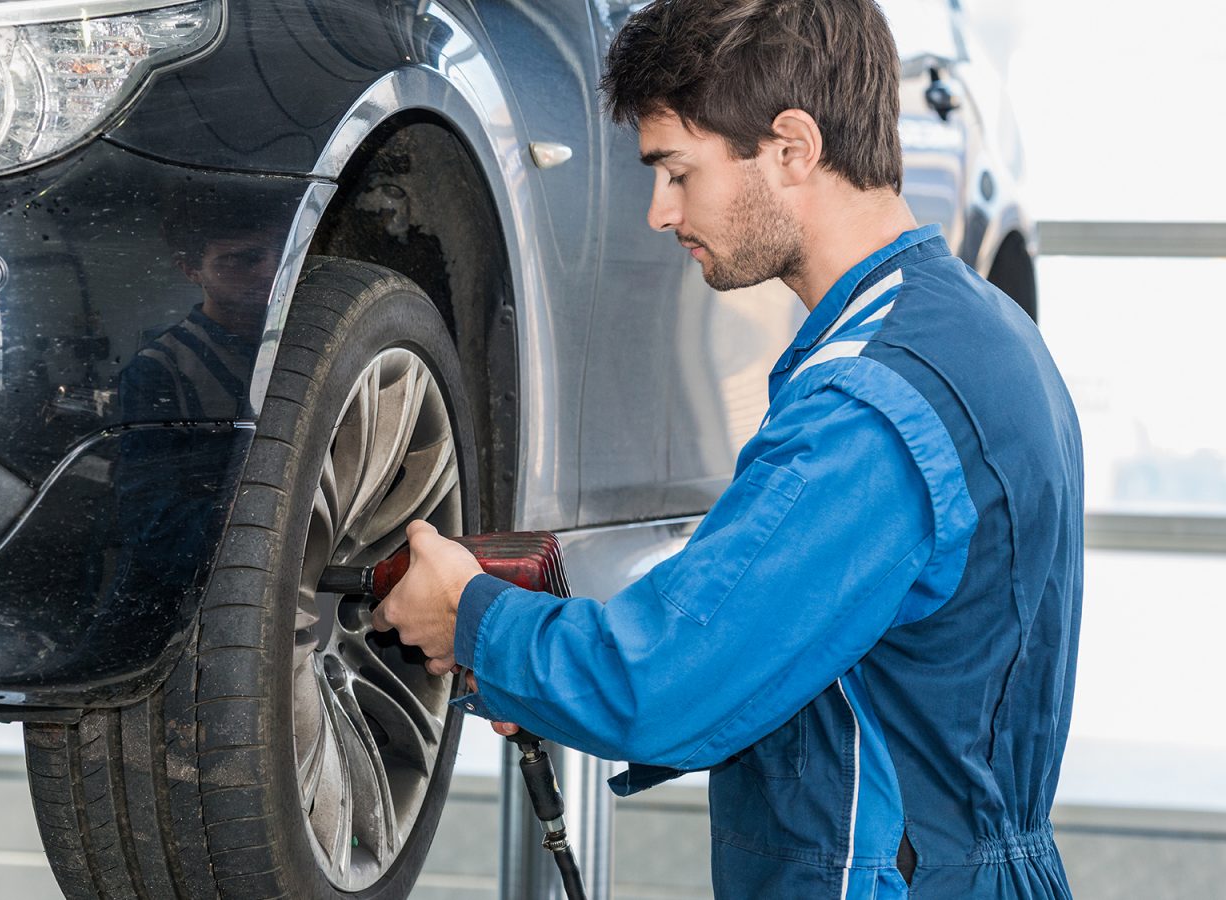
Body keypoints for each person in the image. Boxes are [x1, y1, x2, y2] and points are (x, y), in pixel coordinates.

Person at [370, 0, 1083, 897]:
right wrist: (536, 661)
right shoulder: (965, 333)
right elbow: (790, 651)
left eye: (676, 170)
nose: (659, 214)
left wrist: (475, 620)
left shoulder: (873, 412)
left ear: (791, 147)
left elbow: (664, 682)